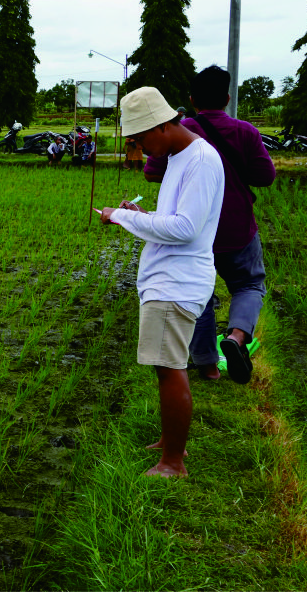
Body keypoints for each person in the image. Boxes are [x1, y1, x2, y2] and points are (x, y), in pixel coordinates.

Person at [97, 86, 224, 478]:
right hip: (167, 278)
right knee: (164, 365)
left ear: (162, 126)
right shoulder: (180, 156)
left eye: (139, 139)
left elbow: (185, 228)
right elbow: (176, 217)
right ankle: (170, 442)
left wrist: (125, 218)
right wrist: (142, 213)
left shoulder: (200, 160)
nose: (139, 147)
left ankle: (173, 462)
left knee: (170, 368)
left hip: (176, 281)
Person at [144, 65, 276, 384]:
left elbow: (151, 170)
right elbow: (265, 176)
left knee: (198, 294)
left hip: (195, 229)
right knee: (248, 284)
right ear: (228, 98)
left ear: (191, 99)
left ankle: (208, 366)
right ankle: (236, 338)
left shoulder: (182, 129)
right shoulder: (246, 132)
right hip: (238, 228)